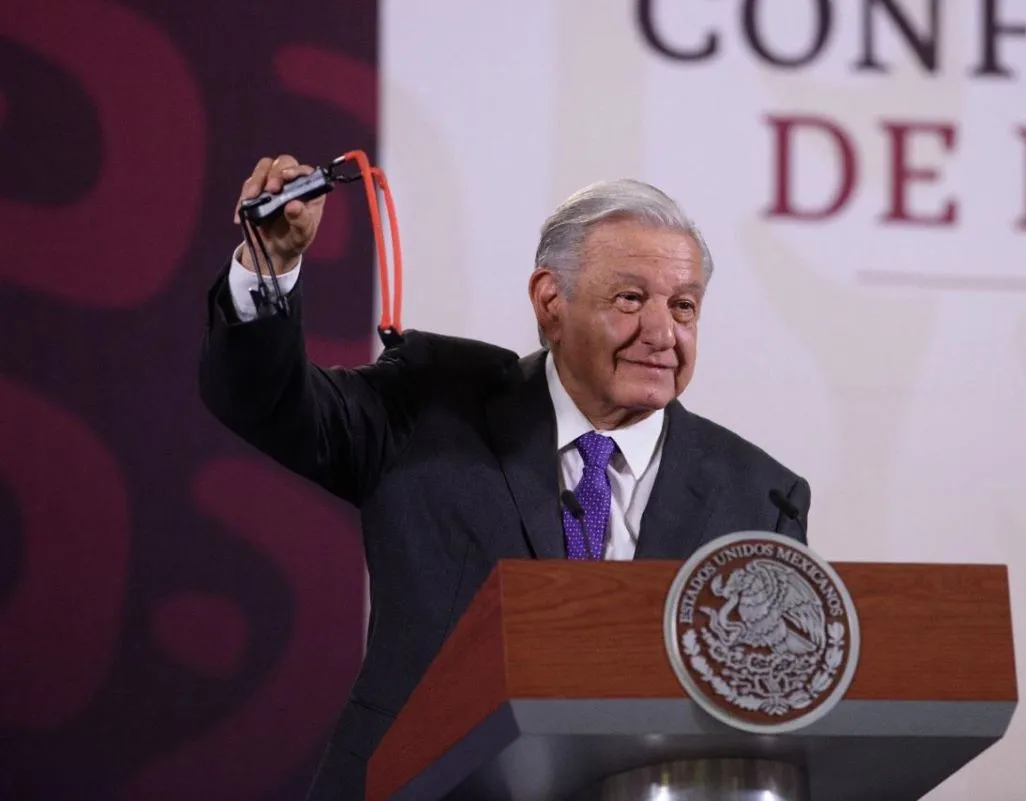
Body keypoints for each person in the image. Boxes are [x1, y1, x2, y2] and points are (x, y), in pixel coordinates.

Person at [199, 155, 811, 800]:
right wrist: (269, 264)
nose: (662, 333)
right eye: (630, 299)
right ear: (551, 301)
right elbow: (266, 404)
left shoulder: (757, 496)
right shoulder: (433, 403)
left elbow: (768, 705)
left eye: (684, 307)